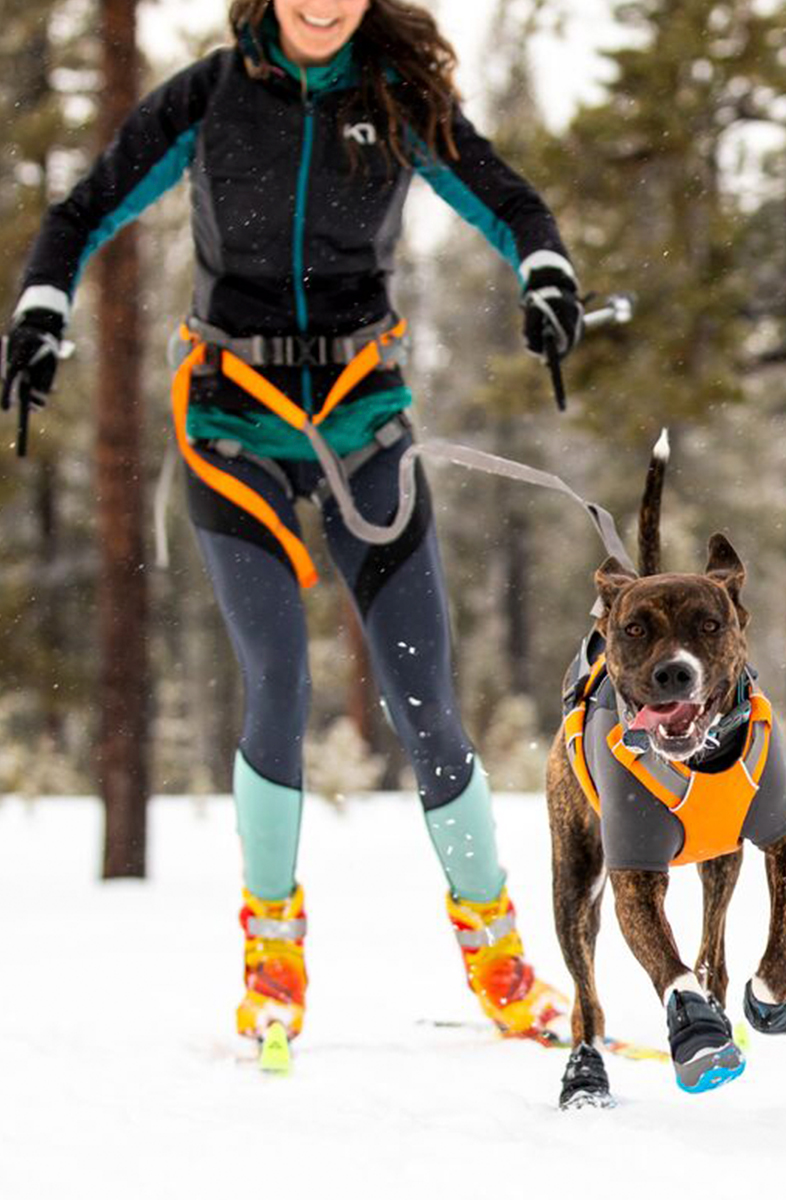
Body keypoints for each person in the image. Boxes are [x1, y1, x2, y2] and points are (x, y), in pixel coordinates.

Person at [0, 0, 583, 1047]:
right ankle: (272, 955)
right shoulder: (209, 95)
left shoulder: (398, 96)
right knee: (277, 680)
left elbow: (508, 201)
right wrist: (42, 310)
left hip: (364, 419)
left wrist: (546, 275)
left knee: (427, 701)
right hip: (234, 422)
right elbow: (82, 210)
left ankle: (499, 959)